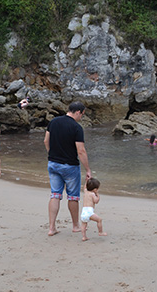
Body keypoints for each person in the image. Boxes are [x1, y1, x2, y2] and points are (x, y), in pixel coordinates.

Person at [44, 101, 92, 236]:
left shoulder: (53, 122)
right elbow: (81, 151)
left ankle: (52, 227)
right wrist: (88, 169)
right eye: (82, 114)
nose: (81, 117)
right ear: (78, 112)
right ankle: (75, 226)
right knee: (73, 196)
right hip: (70, 166)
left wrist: (51, 154)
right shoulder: (76, 128)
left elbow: (46, 141)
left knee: (55, 195)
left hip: (53, 163)